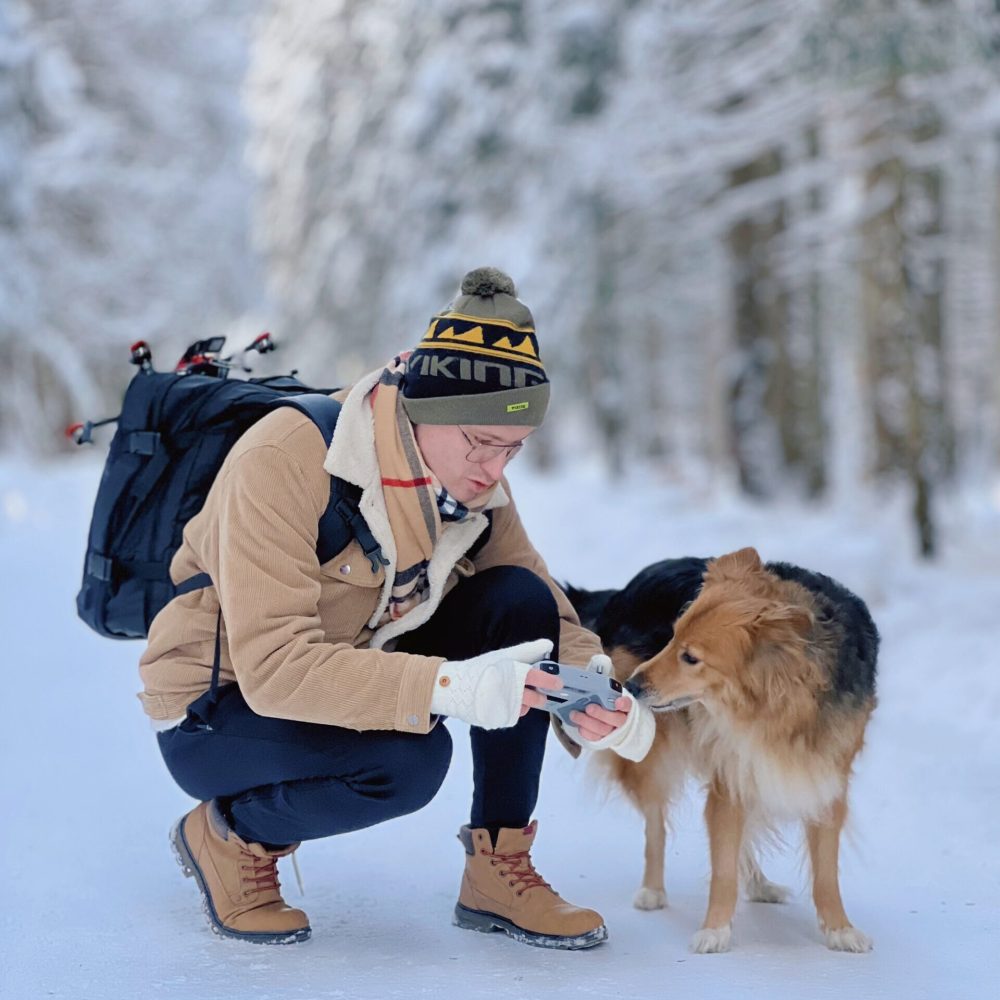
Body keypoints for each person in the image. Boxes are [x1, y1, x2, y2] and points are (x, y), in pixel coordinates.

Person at [138, 267, 655, 950]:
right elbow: (276, 669)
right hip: (222, 711)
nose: (495, 469)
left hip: (353, 661)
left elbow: (543, 605)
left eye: (513, 449)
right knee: (409, 760)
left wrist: (597, 691)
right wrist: (456, 686)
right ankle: (231, 836)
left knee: (518, 603)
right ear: (423, 414)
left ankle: (498, 868)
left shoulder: (468, 483)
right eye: (481, 443)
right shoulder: (283, 457)